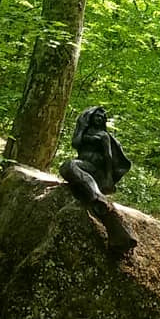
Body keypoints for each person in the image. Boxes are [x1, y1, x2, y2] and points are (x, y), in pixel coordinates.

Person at [59, 106, 136, 253]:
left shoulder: (104, 135)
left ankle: (99, 199)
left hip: (96, 170)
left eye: (102, 117)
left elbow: (108, 157)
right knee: (66, 167)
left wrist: (108, 177)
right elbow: (76, 143)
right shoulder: (85, 131)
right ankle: (97, 197)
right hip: (83, 165)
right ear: (91, 117)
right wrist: (81, 127)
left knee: (69, 166)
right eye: (96, 116)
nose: (99, 119)